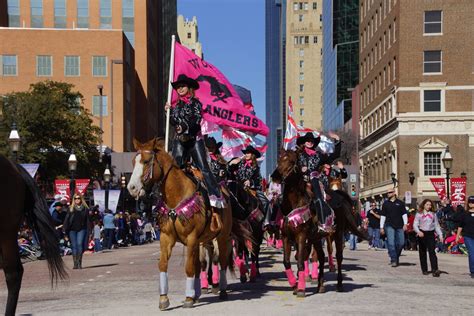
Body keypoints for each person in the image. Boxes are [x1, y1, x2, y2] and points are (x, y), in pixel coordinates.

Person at [165, 74, 225, 212]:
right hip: (180, 140)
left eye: (182, 86)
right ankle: (171, 194)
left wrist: (184, 127)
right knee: (175, 166)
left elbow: (196, 121)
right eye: (178, 87)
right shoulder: (177, 106)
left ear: (189, 88)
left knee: (203, 166)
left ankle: (215, 194)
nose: (179, 89)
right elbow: (174, 122)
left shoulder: (196, 103)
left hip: (194, 140)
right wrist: (169, 112)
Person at [296, 131, 341, 233]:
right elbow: (291, 165)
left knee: (319, 198)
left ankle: (323, 223)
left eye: (312, 141)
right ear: (304, 142)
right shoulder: (298, 154)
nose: (310, 142)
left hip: (314, 179)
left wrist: (337, 140)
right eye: (307, 140)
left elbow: (334, 156)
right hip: (300, 180)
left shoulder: (319, 155)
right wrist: (300, 169)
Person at [229, 145, 271, 227]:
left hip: (251, 189)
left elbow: (258, 180)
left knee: (266, 202)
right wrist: (231, 163)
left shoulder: (256, 167)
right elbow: (229, 170)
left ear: (252, 155)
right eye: (246, 153)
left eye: (248, 153)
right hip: (238, 186)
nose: (246, 154)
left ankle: (266, 222)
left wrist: (250, 182)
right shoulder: (239, 163)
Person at [413, 199, 443, 277]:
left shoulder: (433, 214)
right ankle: (424, 269)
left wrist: (440, 235)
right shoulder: (419, 214)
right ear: (423, 205)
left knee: (432, 252)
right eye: (427, 205)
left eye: (430, 205)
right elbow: (415, 225)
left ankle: (435, 269)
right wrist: (418, 232)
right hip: (422, 233)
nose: (429, 206)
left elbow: (437, 226)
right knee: (422, 252)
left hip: (430, 234)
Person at [380, 188, 407, 267]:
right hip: (389, 225)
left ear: (394, 193)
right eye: (387, 193)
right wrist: (381, 227)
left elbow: (404, 214)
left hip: (399, 225)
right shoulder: (385, 204)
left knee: (401, 243)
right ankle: (393, 260)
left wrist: (405, 224)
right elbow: (383, 216)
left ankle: (396, 256)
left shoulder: (400, 203)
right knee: (391, 243)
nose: (388, 194)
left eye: (390, 192)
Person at [63, 194, 90, 269]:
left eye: (78, 198)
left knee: (79, 244)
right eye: (75, 198)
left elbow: (88, 221)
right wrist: (64, 229)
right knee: (74, 246)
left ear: (81, 199)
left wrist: (89, 230)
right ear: (73, 200)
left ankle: (79, 263)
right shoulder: (70, 208)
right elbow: (67, 219)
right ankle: (75, 263)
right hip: (72, 230)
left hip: (82, 229)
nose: (77, 200)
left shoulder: (85, 209)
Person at [455, 196, 474, 278]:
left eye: (473, 202)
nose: (471, 203)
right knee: (472, 253)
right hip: (468, 236)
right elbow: (460, 226)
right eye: (470, 202)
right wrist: (457, 236)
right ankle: (473, 271)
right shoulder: (465, 214)